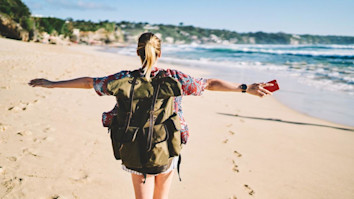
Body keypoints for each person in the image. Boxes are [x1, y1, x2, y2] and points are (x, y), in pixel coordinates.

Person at [29, 32, 272, 199]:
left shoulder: (122, 78)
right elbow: (209, 83)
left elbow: (90, 83)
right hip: (166, 145)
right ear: (160, 53)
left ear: (138, 52)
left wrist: (52, 83)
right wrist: (244, 88)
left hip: (132, 145)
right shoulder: (174, 78)